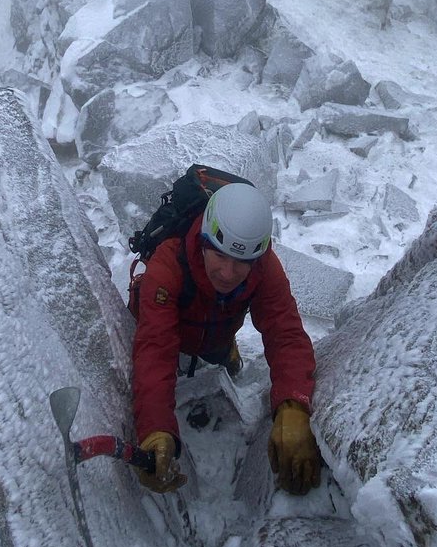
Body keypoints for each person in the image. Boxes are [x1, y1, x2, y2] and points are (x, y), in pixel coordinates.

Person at [130, 180, 321, 497]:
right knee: (164, 360)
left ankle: (223, 353)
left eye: (241, 262)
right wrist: (155, 429)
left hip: (218, 332)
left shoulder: (264, 268)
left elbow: (285, 332)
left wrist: (293, 405)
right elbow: (154, 351)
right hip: (172, 325)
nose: (228, 273)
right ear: (203, 241)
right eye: (220, 256)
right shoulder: (168, 266)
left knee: (218, 353)